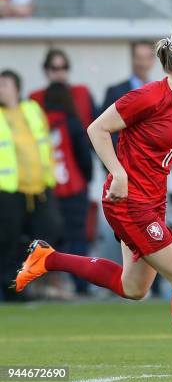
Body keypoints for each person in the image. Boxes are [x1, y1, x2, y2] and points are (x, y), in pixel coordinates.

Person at [13, 34, 172, 375]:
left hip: (152, 204)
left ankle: (47, 258)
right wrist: (118, 173)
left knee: (133, 288)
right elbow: (97, 129)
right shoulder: (149, 96)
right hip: (129, 203)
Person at [0, 70, 60, 301]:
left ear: (16, 88)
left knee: (49, 231)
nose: (1, 88)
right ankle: (10, 288)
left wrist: (49, 178)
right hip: (8, 189)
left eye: (4, 84)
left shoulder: (32, 110)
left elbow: (44, 143)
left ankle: (29, 282)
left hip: (40, 188)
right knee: (8, 239)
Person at [43, 82, 93, 295]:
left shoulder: (40, 123)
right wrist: (87, 179)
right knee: (77, 237)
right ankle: (80, 284)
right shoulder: (73, 123)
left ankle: (54, 284)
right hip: (74, 189)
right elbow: (84, 157)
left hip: (50, 190)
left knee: (53, 238)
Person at [30, 48, 96, 130]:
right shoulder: (36, 98)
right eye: (54, 68)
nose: (60, 72)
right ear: (46, 70)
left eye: (64, 67)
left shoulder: (82, 93)